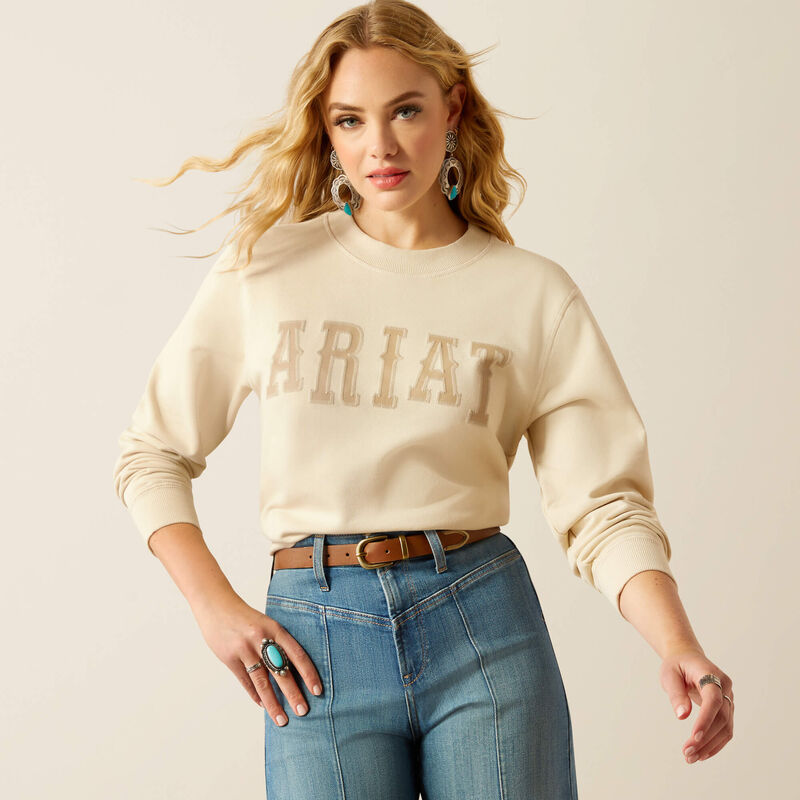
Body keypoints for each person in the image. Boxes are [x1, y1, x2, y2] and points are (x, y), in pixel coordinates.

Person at [112, 1, 734, 796]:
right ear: (326, 131)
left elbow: (604, 506)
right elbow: (153, 453)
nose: (380, 145)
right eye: (350, 119)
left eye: (405, 110)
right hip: (314, 638)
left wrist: (679, 647)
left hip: (483, 624)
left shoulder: (532, 294)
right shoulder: (267, 267)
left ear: (453, 107)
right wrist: (213, 607)